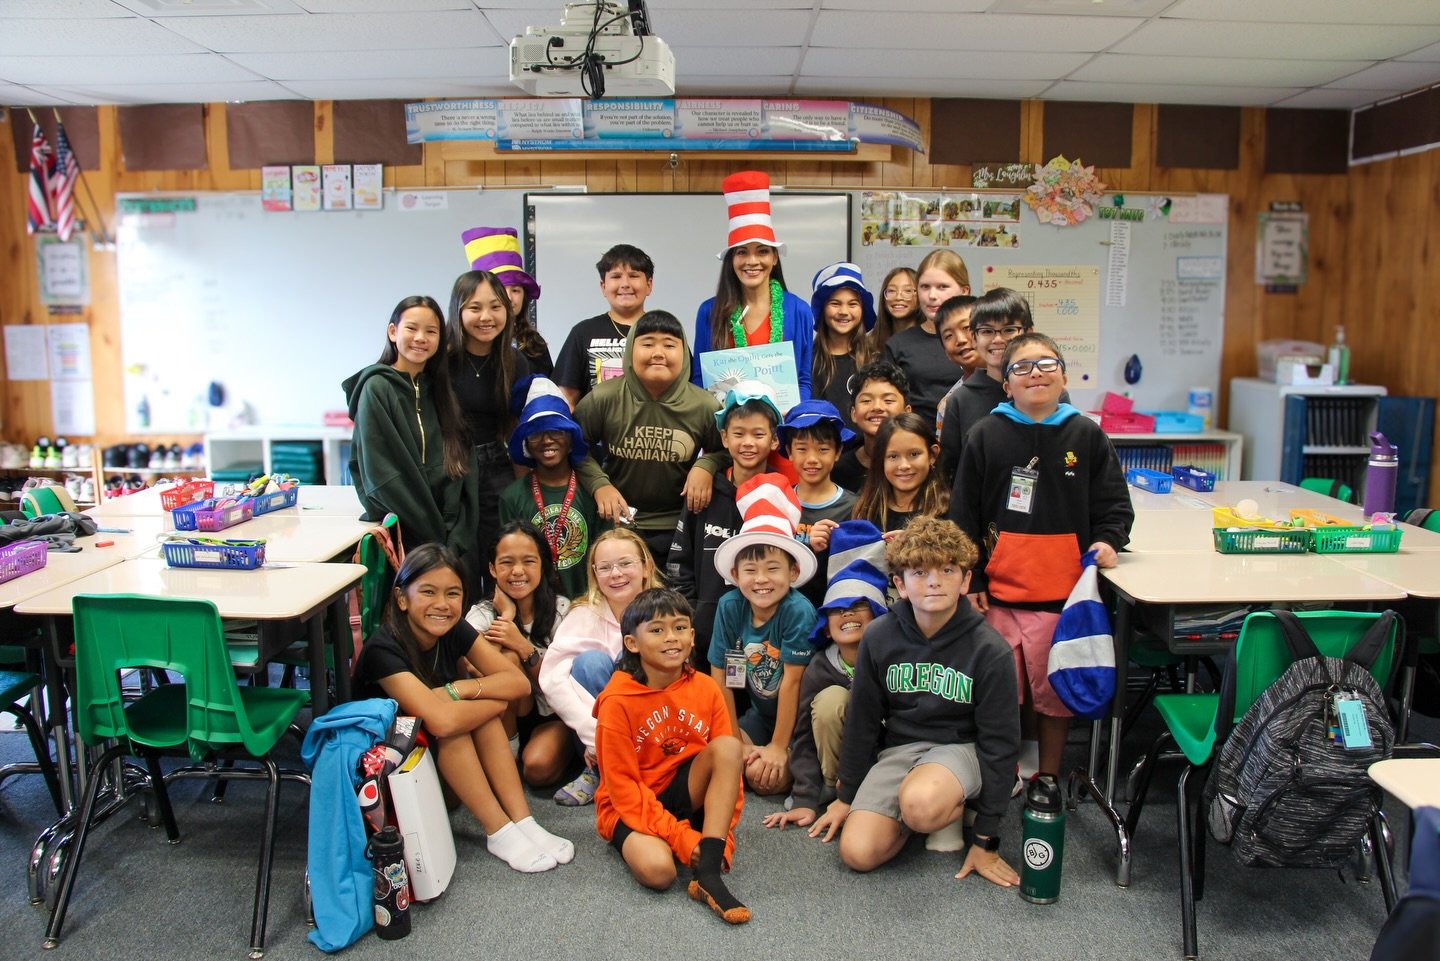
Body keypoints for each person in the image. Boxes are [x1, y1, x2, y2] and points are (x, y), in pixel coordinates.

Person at [949, 332, 1133, 781]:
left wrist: (1108, 539)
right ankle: (1001, 778)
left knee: (1054, 695)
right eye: (1022, 367)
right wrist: (971, 581)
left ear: (1064, 376)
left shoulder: (1086, 434)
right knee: (1000, 695)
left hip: (1065, 597)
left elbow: (1114, 506)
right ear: (1006, 385)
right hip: (999, 597)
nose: (1036, 373)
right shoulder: (985, 434)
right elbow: (963, 516)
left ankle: (1047, 777)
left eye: (1047, 364)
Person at [811, 517, 1021, 887]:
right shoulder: (878, 636)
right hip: (901, 749)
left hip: (960, 748)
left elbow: (1001, 744)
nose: (934, 581)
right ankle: (925, 811)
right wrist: (846, 795)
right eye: (919, 572)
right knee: (856, 854)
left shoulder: (991, 651)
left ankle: (949, 808)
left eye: (947, 569)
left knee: (921, 803)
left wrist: (986, 840)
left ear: (966, 580)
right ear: (900, 584)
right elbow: (862, 720)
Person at [351, 543, 572, 873]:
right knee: (459, 726)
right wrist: (491, 700)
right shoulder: (384, 648)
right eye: (427, 592)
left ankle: (523, 821)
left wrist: (458, 689)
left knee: (476, 719)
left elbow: (519, 684)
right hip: (386, 777)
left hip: (431, 762)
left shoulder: (453, 630)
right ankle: (498, 830)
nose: (442, 604)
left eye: (453, 594)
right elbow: (440, 721)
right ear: (401, 598)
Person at [593, 588, 749, 924]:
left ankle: (708, 876)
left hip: (685, 789)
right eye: (657, 630)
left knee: (728, 746)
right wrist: (682, 838)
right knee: (659, 872)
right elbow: (622, 788)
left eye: (680, 628)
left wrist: (721, 840)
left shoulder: (706, 687)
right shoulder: (617, 701)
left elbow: (728, 773)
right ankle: (684, 844)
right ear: (632, 643)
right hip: (631, 801)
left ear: (693, 637)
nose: (671, 638)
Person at [573, 310, 726, 567]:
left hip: (680, 524)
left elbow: (728, 450)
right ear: (631, 349)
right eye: (647, 343)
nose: (658, 353)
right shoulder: (603, 398)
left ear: (684, 353)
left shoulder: (704, 406)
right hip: (619, 523)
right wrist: (599, 484)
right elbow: (575, 446)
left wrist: (707, 465)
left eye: (669, 344)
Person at [763, 528, 888, 833]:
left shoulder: (893, 660)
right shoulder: (821, 666)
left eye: (858, 606)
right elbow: (804, 735)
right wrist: (805, 796)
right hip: (841, 766)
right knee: (832, 700)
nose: (847, 614)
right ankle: (834, 789)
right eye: (837, 610)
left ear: (877, 616)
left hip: (884, 760)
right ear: (827, 629)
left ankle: (870, 797)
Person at [707, 474, 818, 795]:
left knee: (764, 779)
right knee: (723, 757)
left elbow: (792, 682)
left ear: (793, 572)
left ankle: (795, 760)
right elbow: (723, 675)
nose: (761, 580)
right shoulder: (730, 607)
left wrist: (778, 747)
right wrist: (734, 740)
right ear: (734, 573)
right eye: (751, 570)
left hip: (799, 722)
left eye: (773, 568)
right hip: (759, 715)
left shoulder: (797, 611)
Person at [343, 295, 476, 558]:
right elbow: (383, 477)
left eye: (431, 331)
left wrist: (455, 540)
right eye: (411, 328)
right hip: (404, 540)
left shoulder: (441, 391)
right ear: (393, 332)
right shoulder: (377, 388)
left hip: (449, 543)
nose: (420, 338)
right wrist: (434, 540)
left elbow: (463, 468)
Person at [539, 529, 665, 806]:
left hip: (652, 726)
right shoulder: (583, 614)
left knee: (637, 661)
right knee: (590, 663)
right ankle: (598, 769)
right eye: (605, 568)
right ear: (595, 574)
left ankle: (649, 768)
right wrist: (596, 735)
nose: (616, 574)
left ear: (645, 567)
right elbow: (552, 680)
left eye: (625, 563)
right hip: (595, 731)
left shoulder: (666, 611)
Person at [668, 383, 790, 663]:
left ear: (774, 441)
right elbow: (679, 563)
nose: (748, 442)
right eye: (738, 433)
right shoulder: (703, 493)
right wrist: (691, 617)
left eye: (758, 434)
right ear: (724, 438)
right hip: (705, 633)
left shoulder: (782, 494)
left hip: (765, 639)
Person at [464, 521, 573, 787]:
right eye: (506, 562)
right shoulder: (481, 613)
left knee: (537, 769)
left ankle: (567, 749)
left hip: (551, 713)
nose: (517, 572)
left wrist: (522, 645)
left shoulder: (561, 609)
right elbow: (474, 670)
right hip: (502, 714)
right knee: (507, 661)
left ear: (543, 565)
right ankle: (508, 755)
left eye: (528, 561)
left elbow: (560, 684)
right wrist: (508, 617)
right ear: (492, 568)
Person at [692, 170, 814, 402]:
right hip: (726, 432)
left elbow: (803, 380)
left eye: (762, 251)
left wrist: (791, 423)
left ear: (775, 258)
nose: (752, 261)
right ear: (731, 260)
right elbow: (699, 379)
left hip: (782, 430)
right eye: (742, 252)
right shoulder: (709, 312)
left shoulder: (799, 311)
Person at [447, 269, 531, 594]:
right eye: (474, 308)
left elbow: (517, 428)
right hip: (452, 467)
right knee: (460, 560)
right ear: (458, 311)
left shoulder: (515, 361)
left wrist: (524, 487)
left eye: (495, 307)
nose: (486, 317)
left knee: (502, 557)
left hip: (497, 465)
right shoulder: (443, 360)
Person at [939, 287, 1070, 485]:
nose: (998, 339)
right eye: (987, 331)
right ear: (974, 338)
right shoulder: (960, 400)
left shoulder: (1049, 392)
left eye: (1009, 330)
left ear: (1029, 333)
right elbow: (950, 471)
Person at [499, 376, 599, 601]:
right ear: (525, 444)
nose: (547, 441)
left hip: (587, 607)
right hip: (533, 608)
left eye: (556, 431)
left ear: (571, 438)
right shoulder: (512, 497)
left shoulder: (592, 493)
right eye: (536, 434)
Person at [553, 244, 656, 408]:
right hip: (594, 432)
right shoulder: (583, 332)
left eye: (633, 275)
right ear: (603, 286)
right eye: (616, 277)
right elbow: (566, 399)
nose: (625, 284)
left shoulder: (666, 331)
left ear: (649, 285)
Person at [780, 399, 858, 612]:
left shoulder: (855, 507)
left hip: (835, 615)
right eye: (802, 449)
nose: (812, 459)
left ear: (838, 452)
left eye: (823, 449)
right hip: (784, 617)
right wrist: (807, 549)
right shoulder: (777, 503)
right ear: (789, 451)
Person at [882, 250, 971, 427]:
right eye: (924, 287)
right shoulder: (898, 344)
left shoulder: (982, 339)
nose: (931, 296)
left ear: (964, 290)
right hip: (917, 443)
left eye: (942, 287)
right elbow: (888, 404)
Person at [461, 226, 552, 376]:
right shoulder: (460, 347)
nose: (509, 297)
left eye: (516, 290)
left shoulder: (534, 344)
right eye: (501, 289)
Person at [852, 412, 948, 535]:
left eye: (914, 454)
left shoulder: (948, 511)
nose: (904, 466)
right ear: (881, 459)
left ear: (932, 455)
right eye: (893, 456)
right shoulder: (866, 509)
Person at [809, 263, 876, 429]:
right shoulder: (807, 359)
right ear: (822, 310)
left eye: (853, 304)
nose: (844, 311)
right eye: (835, 303)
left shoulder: (875, 359)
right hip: (819, 450)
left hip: (863, 451)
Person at [831, 360, 910, 495]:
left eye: (888, 400)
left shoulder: (917, 463)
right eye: (866, 400)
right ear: (853, 413)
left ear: (906, 412)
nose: (877, 407)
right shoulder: (838, 470)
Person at [932, 294, 978, 481]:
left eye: (967, 328)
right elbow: (948, 466)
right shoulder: (949, 403)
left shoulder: (1021, 386)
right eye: (948, 336)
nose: (960, 340)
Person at [870, 267, 919, 354]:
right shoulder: (870, 344)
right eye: (891, 291)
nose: (898, 297)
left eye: (907, 291)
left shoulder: (931, 342)